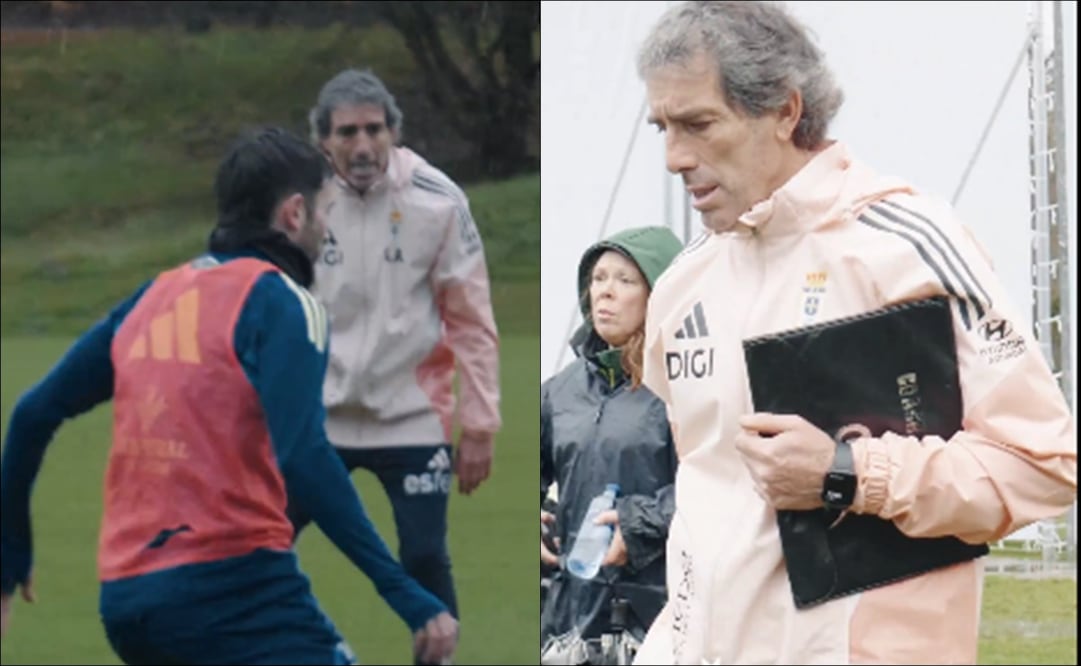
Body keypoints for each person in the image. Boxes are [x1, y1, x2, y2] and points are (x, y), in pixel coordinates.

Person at [630, 2, 1078, 664]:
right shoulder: (680, 285)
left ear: (784, 112)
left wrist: (846, 473)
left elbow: (1041, 466)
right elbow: (707, 496)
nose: (672, 157)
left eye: (697, 124)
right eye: (661, 127)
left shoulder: (905, 245)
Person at [0, 126, 458, 665]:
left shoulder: (155, 297)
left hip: (128, 602)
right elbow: (306, 456)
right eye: (326, 210)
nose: (330, 229)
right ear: (293, 214)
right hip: (234, 590)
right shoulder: (281, 303)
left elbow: (32, 414)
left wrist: (11, 557)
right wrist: (405, 594)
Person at [290, 67, 502, 649]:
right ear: (322, 140)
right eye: (347, 133)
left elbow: (472, 319)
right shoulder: (298, 202)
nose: (363, 146)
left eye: (374, 130)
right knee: (260, 541)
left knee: (425, 555)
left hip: (411, 414)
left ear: (395, 132)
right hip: (315, 418)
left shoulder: (437, 199)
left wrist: (479, 423)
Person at [540, 226, 683, 665]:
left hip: (662, 611)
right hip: (573, 617)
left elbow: (719, 484)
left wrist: (636, 524)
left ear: (660, 292)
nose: (606, 292)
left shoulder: (684, 386)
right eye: (599, 278)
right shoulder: (559, 393)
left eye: (625, 280)